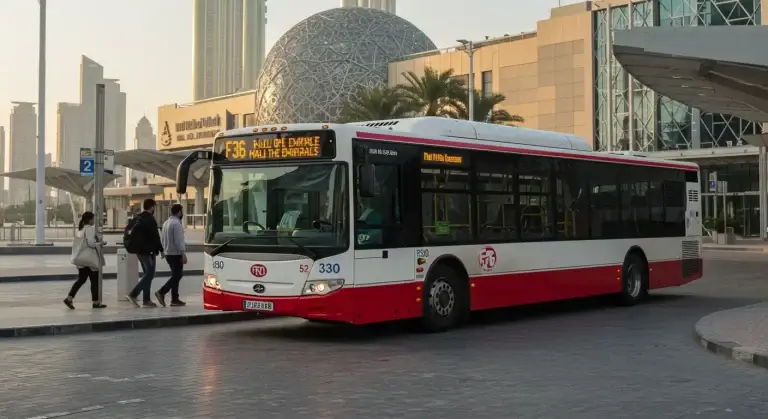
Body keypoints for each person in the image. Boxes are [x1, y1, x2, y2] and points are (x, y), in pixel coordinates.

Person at [64, 211, 107, 309]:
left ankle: (69, 298)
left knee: (82, 279)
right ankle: (96, 302)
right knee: (94, 279)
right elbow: (91, 244)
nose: (94, 221)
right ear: (90, 219)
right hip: (89, 259)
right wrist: (100, 243)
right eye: (93, 219)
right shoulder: (89, 229)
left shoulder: (81, 229)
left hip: (81, 259)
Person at [126, 199, 164, 308]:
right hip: (148, 251)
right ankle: (133, 294)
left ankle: (146, 300)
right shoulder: (150, 219)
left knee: (147, 275)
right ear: (152, 207)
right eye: (154, 207)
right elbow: (156, 236)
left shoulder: (138, 217)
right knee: (150, 274)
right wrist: (161, 250)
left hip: (139, 251)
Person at [155, 203, 187, 307]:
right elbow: (179, 241)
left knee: (175, 276)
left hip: (168, 253)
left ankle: (175, 299)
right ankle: (162, 292)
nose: (182, 214)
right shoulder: (176, 224)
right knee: (178, 275)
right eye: (182, 211)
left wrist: (164, 251)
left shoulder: (166, 223)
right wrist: (183, 254)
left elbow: (162, 239)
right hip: (176, 253)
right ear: (179, 212)